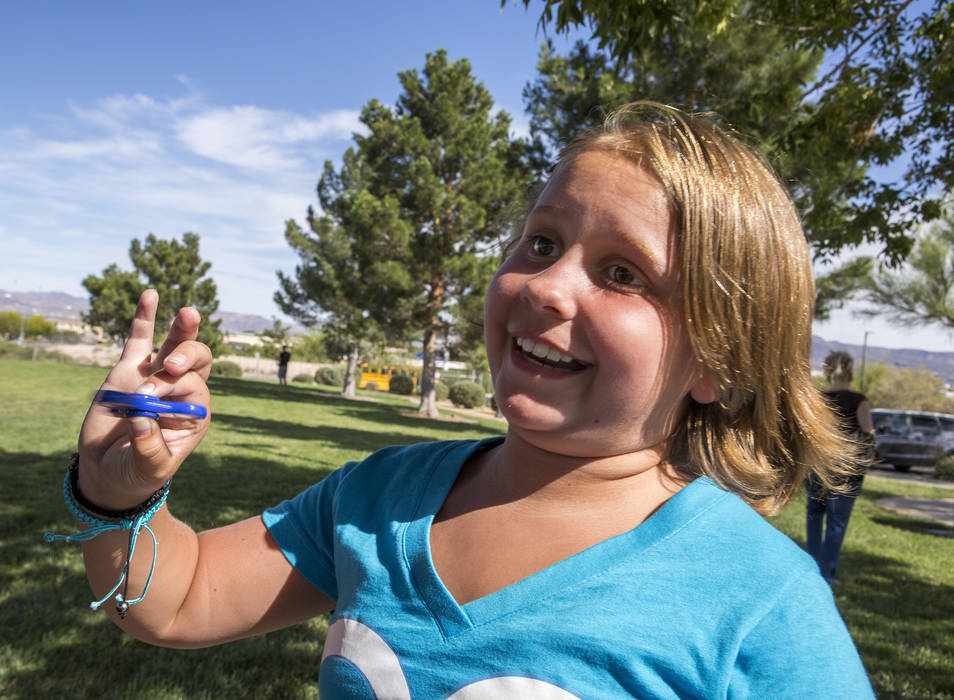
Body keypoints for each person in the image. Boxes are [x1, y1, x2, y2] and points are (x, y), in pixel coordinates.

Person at [63, 103, 874, 697]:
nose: (548, 286)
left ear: (720, 363)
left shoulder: (761, 599)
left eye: (623, 274)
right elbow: (178, 600)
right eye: (542, 243)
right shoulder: (375, 499)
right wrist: (117, 496)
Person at [805, 350, 876, 584]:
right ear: (849, 371)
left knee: (814, 517)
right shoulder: (858, 401)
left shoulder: (818, 399)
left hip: (817, 467)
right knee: (836, 522)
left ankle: (812, 568)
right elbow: (867, 434)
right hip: (845, 470)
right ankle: (826, 574)